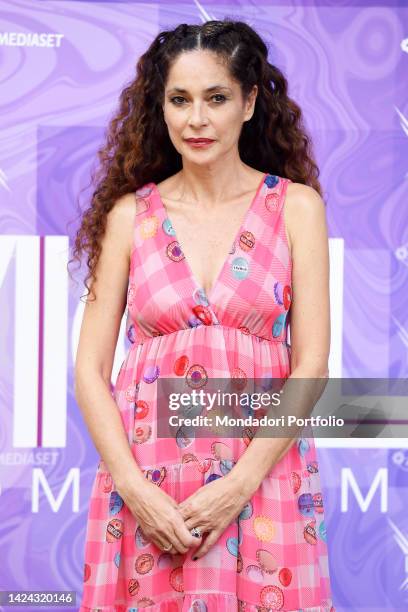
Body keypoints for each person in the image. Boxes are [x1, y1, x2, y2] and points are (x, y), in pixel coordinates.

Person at [71, 18, 335, 612]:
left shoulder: (295, 207)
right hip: (148, 490)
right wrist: (136, 494)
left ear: (248, 103)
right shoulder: (128, 217)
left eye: (216, 98)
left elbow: (312, 363)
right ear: (159, 108)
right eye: (180, 100)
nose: (197, 119)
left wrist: (237, 488)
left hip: (262, 481)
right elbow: (90, 371)